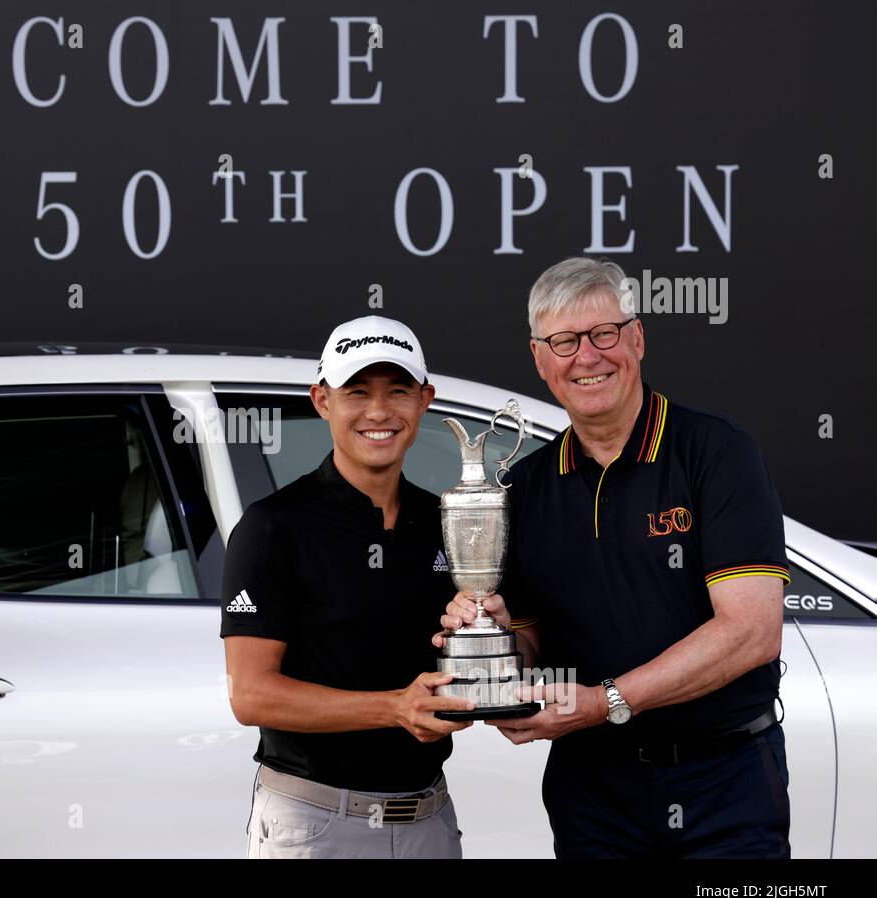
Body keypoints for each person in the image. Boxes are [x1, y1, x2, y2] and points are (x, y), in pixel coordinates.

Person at [438, 256, 791, 858]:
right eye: (565, 341)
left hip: (722, 782)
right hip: (592, 789)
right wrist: (488, 645)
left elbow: (752, 631)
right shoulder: (525, 488)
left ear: (638, 338)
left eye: (604, 334)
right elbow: (529, 649)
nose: (588, 357)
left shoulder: (715, 452)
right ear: (539, 360)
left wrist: (608, 701)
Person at [222, 315, 474, 858]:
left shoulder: (445, 522)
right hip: (316, 825)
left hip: (430, 819)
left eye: (398, 391)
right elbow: (251, 695)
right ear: (322, 400)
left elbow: (481, 652)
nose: (379, 412)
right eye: (357, 391)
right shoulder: (273, 527)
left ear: (425, 400)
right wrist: (395, 708)